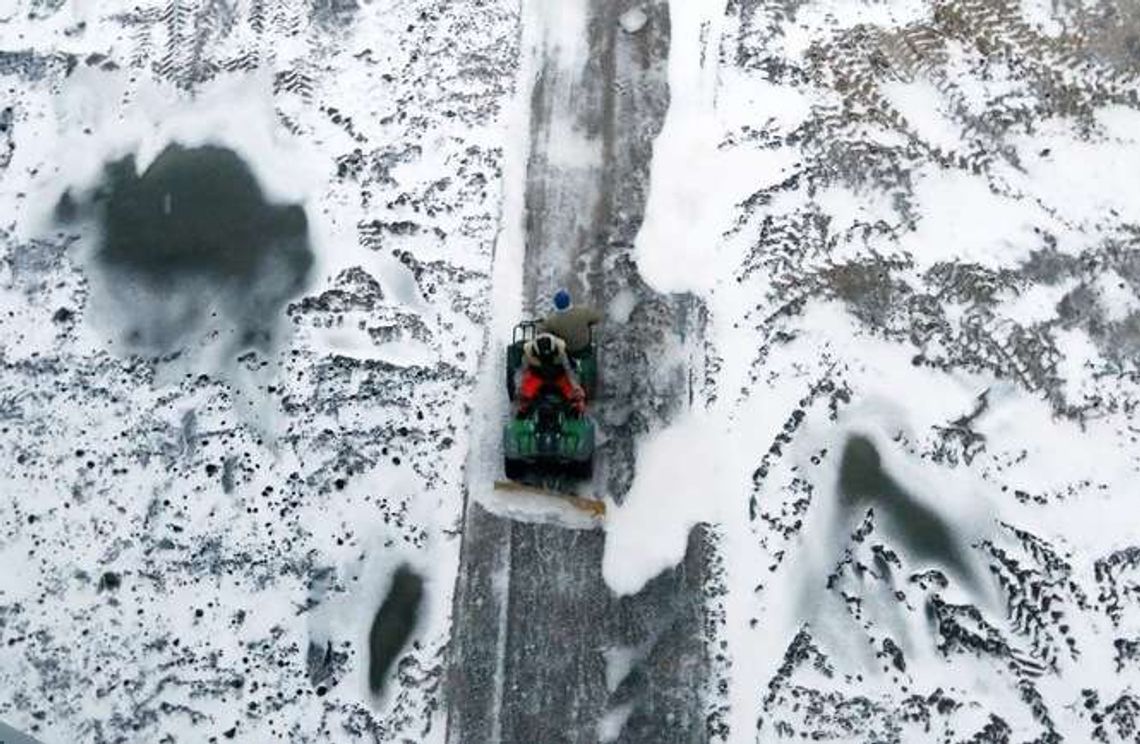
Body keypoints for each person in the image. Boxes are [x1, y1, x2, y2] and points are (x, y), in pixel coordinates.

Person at [516, 333, 586, 416]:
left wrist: (577, 388)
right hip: (537, 375)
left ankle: (575, 409)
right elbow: (521, 371)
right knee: (524, 393)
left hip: (559, 376)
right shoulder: (528, 353)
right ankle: (524, 409)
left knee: (574, 394)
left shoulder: (562, 351)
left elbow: (570, 370)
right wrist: (519, 387)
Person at [538, 288, 602, 355]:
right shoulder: (582, 312)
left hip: (568, 350)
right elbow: (597, 318)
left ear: (555, 304)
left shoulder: (552, 320)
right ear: (569, 301)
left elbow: (541, 329)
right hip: (585, 347)